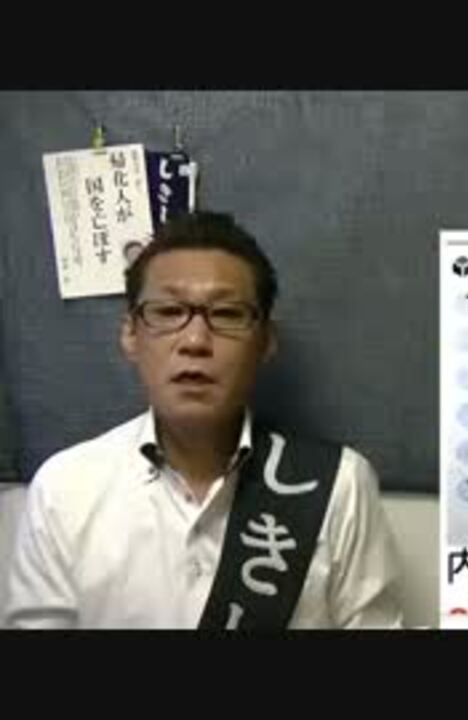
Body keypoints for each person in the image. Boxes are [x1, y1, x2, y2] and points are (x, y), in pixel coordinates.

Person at [3, 211, 404, 629]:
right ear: (130, 335)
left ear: (266, 341)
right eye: (167, 311)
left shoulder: (338, 486)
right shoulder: (64, 489)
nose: (195, 340)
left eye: (227, 314)